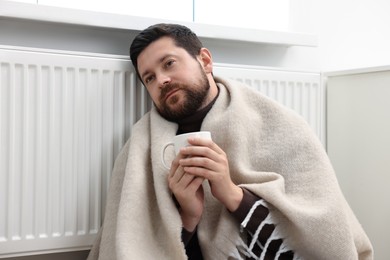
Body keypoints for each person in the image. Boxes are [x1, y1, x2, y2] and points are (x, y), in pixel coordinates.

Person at [87, 23, 373, 260]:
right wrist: (188, 216)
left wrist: (231, 194)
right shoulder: (140, 149)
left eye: (169, 64)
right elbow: (136, 246)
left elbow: (321, 237)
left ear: (205, 60)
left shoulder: (279, 123)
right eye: (149, 78)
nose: (161, 80)